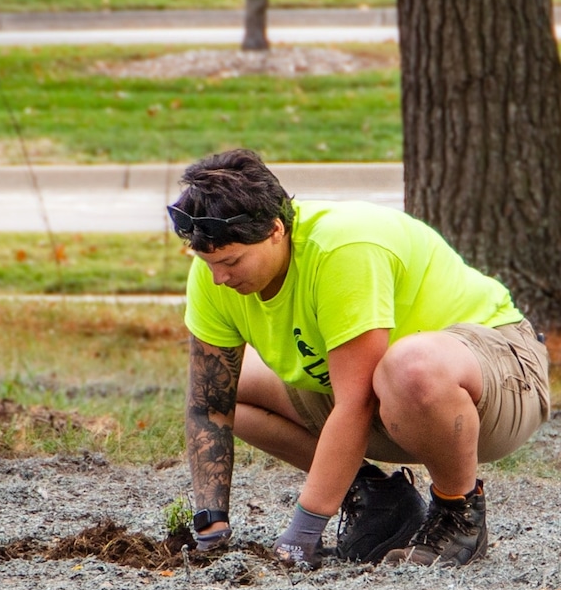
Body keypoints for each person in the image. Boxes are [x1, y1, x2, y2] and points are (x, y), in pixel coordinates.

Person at [171, 149, 550, 567]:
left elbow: (356, 403)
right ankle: (376, 498)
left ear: (276, 230)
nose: (219, 278)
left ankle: (457, 512)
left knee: (410, 367)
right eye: (208, 263)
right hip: (389, 400)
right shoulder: (215, 275)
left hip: (497, 383)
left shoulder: (343, 249)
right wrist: (211, 528)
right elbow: (209, 407)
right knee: (231, 390)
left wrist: (302, 535)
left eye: (231, 261)